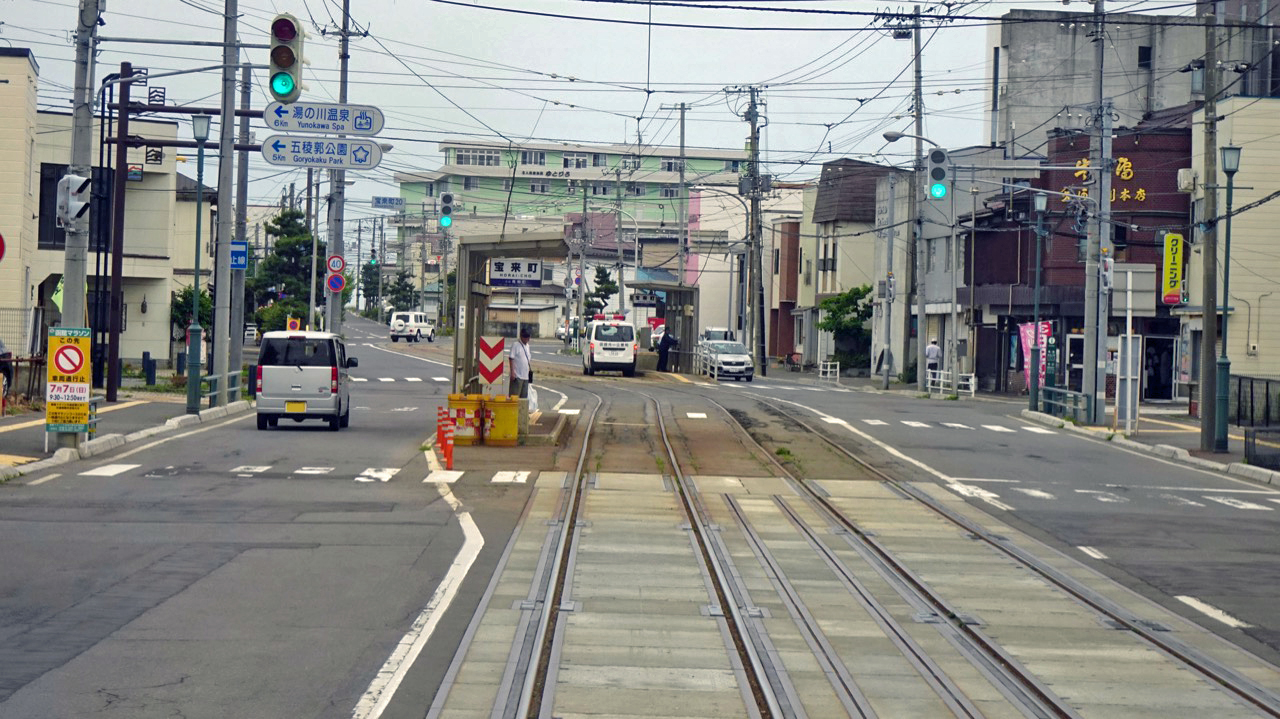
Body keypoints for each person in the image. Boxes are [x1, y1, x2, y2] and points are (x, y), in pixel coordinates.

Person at [509, 327, 532, 398]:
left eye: (528, 337)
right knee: (514, 396)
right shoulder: (516, 345)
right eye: (525, 337)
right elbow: (511, 358)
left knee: (524, 397)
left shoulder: (527, 346)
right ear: (521, 336)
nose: (527, 339)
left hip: (525, 376)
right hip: (517, 376)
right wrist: (512, 372)